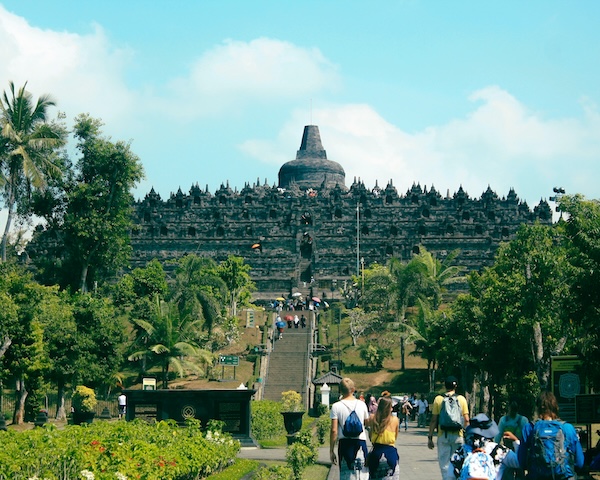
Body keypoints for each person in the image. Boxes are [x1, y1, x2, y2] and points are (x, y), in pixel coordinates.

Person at [518, 391, 584, 480]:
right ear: (556, 407)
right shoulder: (568, 428)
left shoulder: (529, 428)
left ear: (537, 408)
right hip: (563, 477)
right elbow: (580, 462)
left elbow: (521, 461)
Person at [450, 413, 520, 480]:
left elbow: (449, 476)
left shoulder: (461, 451)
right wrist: (516, 441)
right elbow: (519, 462)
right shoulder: (499, 451)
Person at [428, 376, 470, 480]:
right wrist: (468, 436)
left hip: (443, 436)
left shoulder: (438, 399)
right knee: (459, 462)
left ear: (445, 385)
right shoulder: (461, 399)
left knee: (444, 465)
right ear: (456, 386)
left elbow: (434, 420)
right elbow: (466, 420)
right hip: (458, 435)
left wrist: (430, 437)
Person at [330, 377, 371, 479]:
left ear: (340, 390)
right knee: (362, 475)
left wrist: (331, 450)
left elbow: (334, 430)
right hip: (360, 442)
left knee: (346, 475)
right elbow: (367, 423)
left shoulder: (336, 406)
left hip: (345, 444)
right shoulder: (362, 404)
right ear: (353, 390)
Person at [366, 396, 400, 479]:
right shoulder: (395, 420)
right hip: (390, 453)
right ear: (389, 408)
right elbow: (395, 437)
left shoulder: (372, 418)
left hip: (376, 453)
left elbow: (370, 436)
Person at [495, 400, 529, 479]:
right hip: (508, 450)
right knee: (508, 473)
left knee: (519, 472)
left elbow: (526, 436)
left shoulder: (523, 420)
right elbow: (498, 435)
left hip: (519, 449)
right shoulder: (504, 420)